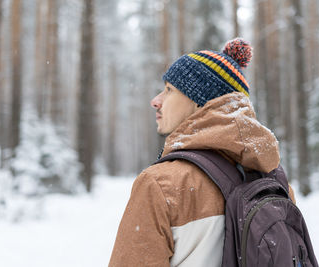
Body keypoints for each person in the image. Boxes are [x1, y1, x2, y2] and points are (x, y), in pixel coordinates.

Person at [109, 38, 295, 267]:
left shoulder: (159, 185)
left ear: (201, 102)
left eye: (169, 90)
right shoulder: (276, 181)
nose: (156, 101)